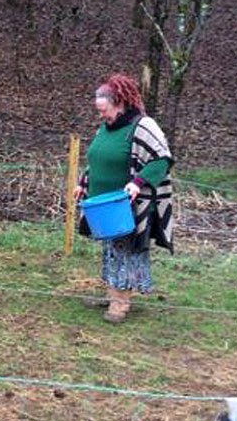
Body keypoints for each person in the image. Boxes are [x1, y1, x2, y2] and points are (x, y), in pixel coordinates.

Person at [72, 73, 174, 323]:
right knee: (110, 251)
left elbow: (162, 160)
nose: (101, 115)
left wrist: (138, 183)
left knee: (126, 251)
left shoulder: (143, 126)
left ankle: (121, 303)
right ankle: (112, 293)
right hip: (103, 206)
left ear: (120, 102)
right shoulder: (105, 128)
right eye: (99, 111)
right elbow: (96, 159)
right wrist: (83, 183)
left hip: (127, 206)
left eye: (104, 110)